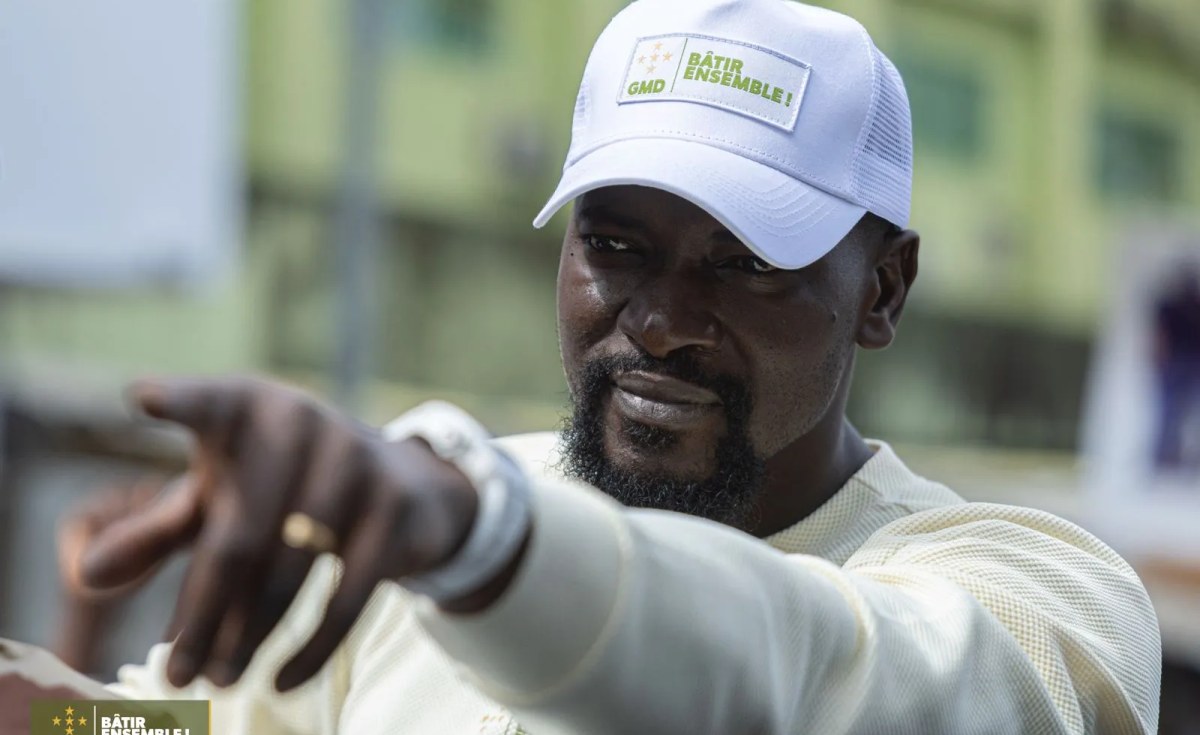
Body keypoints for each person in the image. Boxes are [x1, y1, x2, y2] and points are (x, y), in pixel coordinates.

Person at [44, 0, 1162, 733]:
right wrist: (65, 669)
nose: (664, 322)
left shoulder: (1041, 601)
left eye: (747, 263)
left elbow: (821, 677)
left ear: (884, 290)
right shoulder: (415, 526)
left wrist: (482, 542)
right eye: (617, 246)